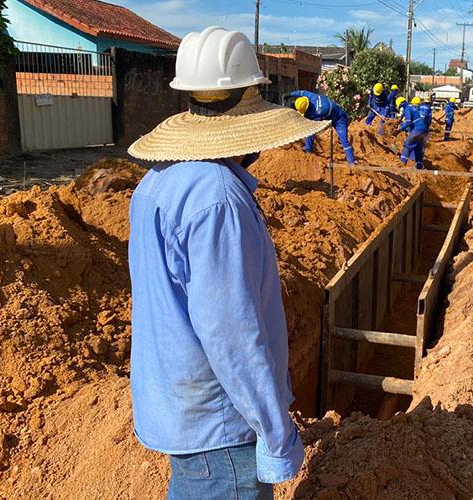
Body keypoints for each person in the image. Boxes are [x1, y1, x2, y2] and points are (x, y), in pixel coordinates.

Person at [127, 27, 328, 499]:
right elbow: (231, 333)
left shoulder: (157, 183)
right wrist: (276, 433)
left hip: (187, 421)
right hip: (222, 433)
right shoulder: (218, 197)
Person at [289, 90, 356, 164]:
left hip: (339, 119)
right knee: (311, 130)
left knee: (344, 140)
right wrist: (290, 94)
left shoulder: (316, 112)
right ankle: (308, 148)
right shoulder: (311, 96)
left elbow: (312, 124)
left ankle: (351, 161)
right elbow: (302, 92)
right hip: (332, 111)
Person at [399, 96, 429, 169]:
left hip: (418, 129)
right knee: (418, 147)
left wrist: (400, 129)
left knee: (407, 144)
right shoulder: (416, 109)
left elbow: (408, 122)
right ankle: (419, 165)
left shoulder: (408, 108)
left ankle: (402, 163)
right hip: (424, 130)